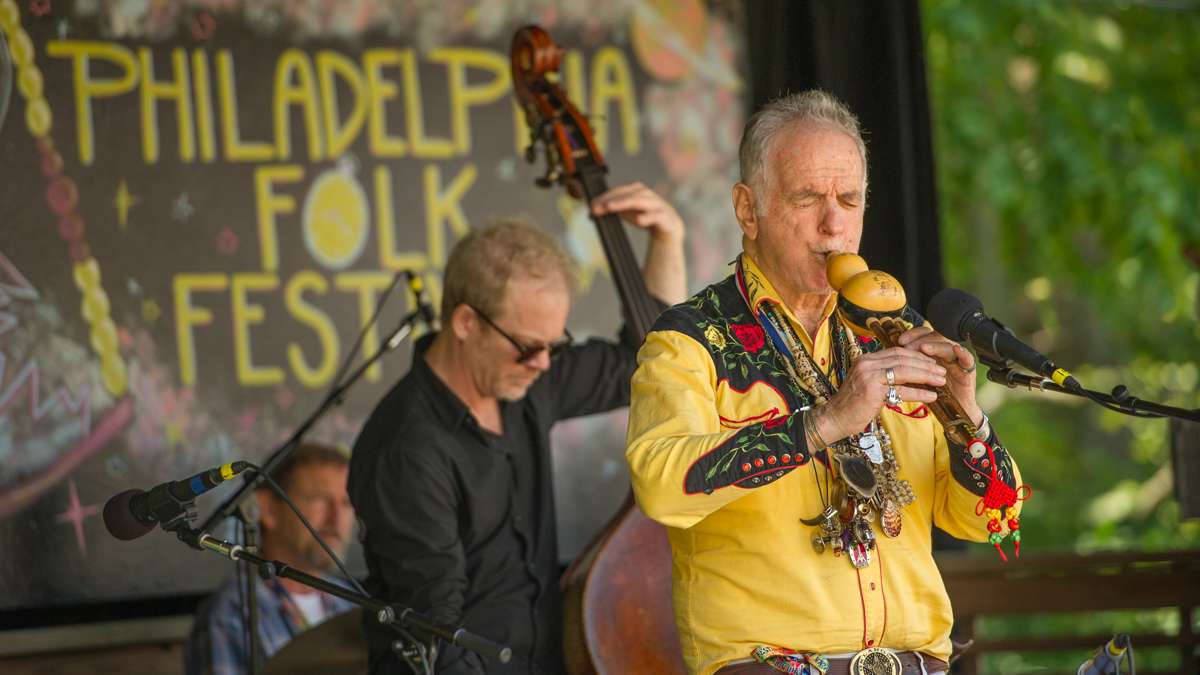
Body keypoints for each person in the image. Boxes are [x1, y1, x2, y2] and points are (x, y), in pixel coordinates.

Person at [625, 90, 1026, 675]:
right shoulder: (691, 340)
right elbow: (661, 485)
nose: (834, 224)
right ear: (747, 209)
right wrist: (823, 422)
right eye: (808, 197)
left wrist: (967, 419)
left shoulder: (898, 332)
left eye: (849, 199)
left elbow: (995, 519)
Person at [348, 182, 688, 674]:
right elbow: (436, 632)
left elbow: (641, 364)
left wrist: (667, 240)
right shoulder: (406, 448)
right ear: (466, 323)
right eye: (529, 346)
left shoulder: (525, 381)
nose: (544, 363)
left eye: (554, 344)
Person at [185, 443, 358, 675]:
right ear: (268, 509)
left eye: (346, 503)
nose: (337, 518)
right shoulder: (231, 614)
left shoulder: (351, 602)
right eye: (318, 499)